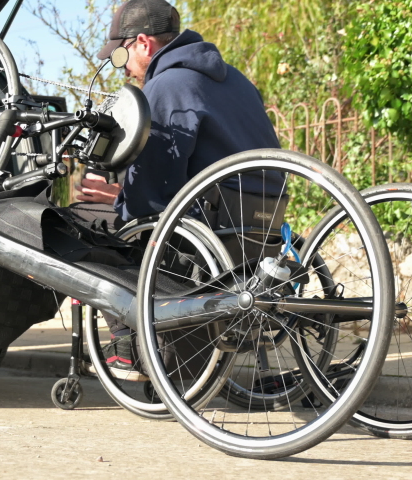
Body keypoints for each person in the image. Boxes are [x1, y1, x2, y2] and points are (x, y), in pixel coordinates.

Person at [79, 0, 283, 380]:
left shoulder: (166, 86)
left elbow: (149, 197)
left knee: (83, 226)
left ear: (143, 43)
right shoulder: (238, 81)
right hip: (258, 224)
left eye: (121, 55)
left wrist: (118, 199)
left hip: (205, 228)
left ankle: (127, 348)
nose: (124, 68)